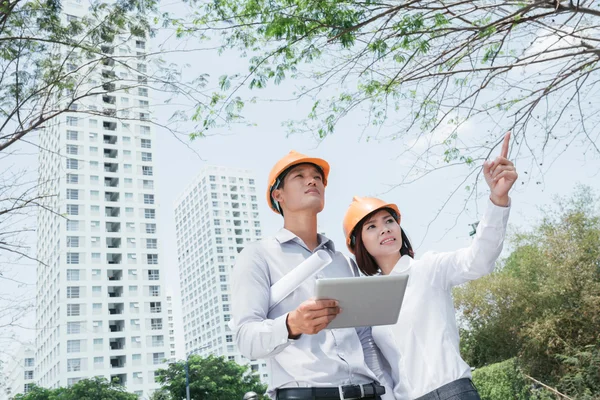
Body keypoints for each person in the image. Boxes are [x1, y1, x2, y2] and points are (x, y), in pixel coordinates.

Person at [342, 133, 518, 400]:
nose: (385, 229)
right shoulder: (369, 301)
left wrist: (498, 200)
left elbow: (479, 259)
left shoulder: (429, 268)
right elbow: (379, 368)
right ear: (359, 243)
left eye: (389, 221)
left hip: (454, 392)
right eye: (372, 226)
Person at [232, 151, 390, 400]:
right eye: (300, 176)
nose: (312, 180)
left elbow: (364, 337)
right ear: (278, 195)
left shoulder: (343, 262)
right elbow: (245, 339)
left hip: (367, 393)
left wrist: (385, 391)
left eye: (317, 176)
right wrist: (291, 324)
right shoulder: (257, 255)